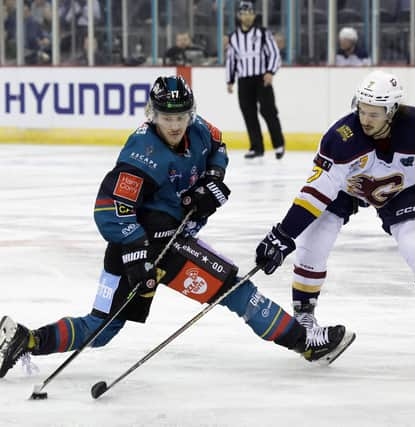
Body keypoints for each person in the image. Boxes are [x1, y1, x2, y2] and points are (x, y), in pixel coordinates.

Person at [0, 76, 355, 379]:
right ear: (151, 115)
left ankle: (25, 339)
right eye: (166, 117)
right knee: (234, 290)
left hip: (162, 241)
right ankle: (305, 343)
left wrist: (212, 179)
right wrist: (137, 256)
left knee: (103, 328)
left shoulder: (200, 130)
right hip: (151, 244)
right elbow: (110, 209)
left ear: (191, 112)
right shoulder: (142, 153)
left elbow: (219, 145)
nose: (175, 124)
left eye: (182, 115)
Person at [253, 70, 415, 355]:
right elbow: (315, 194)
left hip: (401, 189)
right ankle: (304, 312)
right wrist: (284, 234)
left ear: (392, 111)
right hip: (347, 189)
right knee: (316, 235)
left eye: (374, 114)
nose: (365, 120)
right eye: (362, 110)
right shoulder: (341, 138)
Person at [225, 0, 286, 160]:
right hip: (244, 79)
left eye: (249, 13)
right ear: (239, 16)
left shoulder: (263, 33)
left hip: (262, 78)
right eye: (244, 13)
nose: (247, 16)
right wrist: (230, 80)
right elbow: (232, 59)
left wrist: (270, 72)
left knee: (268, 110)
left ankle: (279, 144)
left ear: (254, 15)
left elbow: (274, 54)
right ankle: (256, 147)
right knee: (248, 113)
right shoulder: (234, 37)